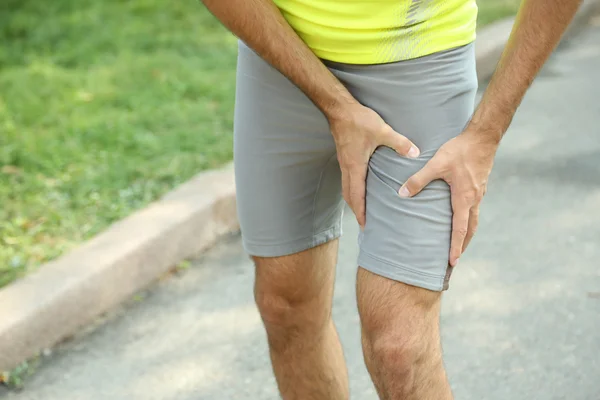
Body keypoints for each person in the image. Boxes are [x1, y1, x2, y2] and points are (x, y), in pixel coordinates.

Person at [201, 0, 582, 398]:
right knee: (284, 306)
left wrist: (485, 133)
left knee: (400, 348)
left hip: (419, 60)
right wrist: (335, 104)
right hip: (281, 57)